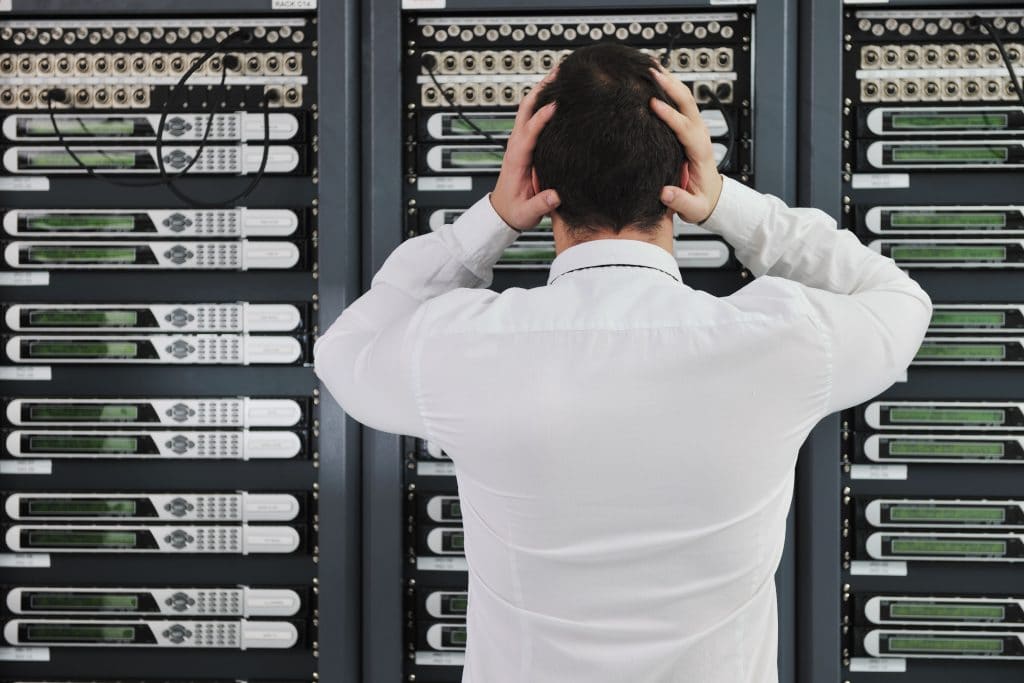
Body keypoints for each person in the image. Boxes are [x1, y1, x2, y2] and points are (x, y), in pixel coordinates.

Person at [314, 44, 931, 683]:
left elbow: (344, 352)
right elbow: (901, 301)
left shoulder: (462, 345)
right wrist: (725, 203)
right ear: (682, 180)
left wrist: (492, 220)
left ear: (539, 187)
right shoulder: (782, 339)